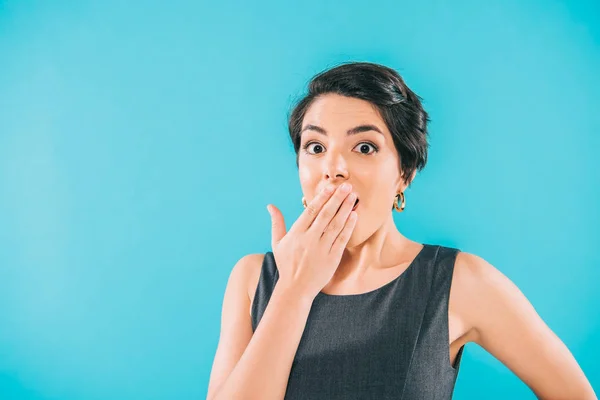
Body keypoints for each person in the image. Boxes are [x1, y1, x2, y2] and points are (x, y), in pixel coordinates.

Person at [206, 62, 596, 399]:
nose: (333, 167)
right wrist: (293, 288)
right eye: (315, 146)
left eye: (364, 148)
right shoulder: (252, 279)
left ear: (404, 174)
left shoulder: (458, 281)